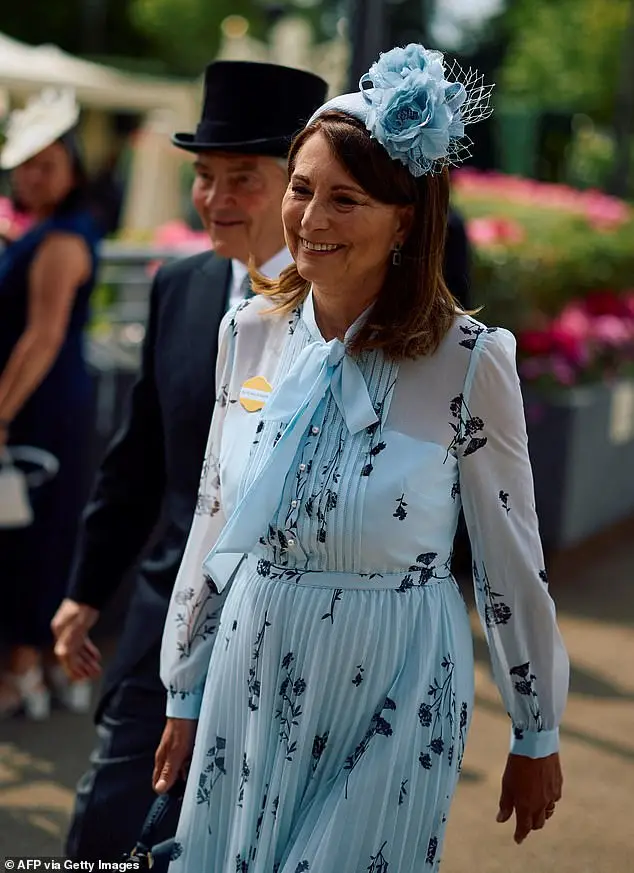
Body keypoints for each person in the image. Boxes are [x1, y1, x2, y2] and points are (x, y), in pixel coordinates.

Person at [154, 45, 569, 872]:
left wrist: (537, 725)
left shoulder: (469, 360)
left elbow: (508, 557)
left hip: (397, 684)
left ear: (405, 218)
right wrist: (186, 686)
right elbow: (214, 515)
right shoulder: (248, 335)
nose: (311, 219)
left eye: (346, 200)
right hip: (251, 670)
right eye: (303, 190)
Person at [50, 61, 328, 861]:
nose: (215, 197)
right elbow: (137, 462)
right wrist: (83, 588)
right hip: (161, 627)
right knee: (101, 831)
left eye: (243, 176)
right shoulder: (182, 287)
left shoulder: (345, 313)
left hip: (290, 646)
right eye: (205, 176)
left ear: (297, 185)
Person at [0, 89, 102, 720]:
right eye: (25, 163)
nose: (33, 174)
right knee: (34, 534)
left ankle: (24, 673)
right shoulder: (47, 231)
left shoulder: (62, 239)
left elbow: (43, 335)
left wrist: (1, 412)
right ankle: (36, 672)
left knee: (30, 538)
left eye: (48, 163)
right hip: (43, 403)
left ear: (72, 167)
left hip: (39, 409)